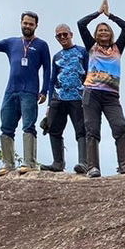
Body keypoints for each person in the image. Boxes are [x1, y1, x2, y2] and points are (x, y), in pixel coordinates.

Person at [0, 11, 51, 175]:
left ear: (36, 25)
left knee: (28, 125)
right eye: (25, 23)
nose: (27, 26)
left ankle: (29, 162)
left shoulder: (41, 45)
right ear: (21, 23)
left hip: (30, 91)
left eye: (31, 24)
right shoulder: (11, 42)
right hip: (11, 90)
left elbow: (48, 69)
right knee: (6, 126)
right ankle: (8, 164)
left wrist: (44, 90)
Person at [79, 0, 125, 177]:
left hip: (111, 95)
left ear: (111, 33)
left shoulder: (117, 48)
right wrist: (98, 13)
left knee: (119, 126)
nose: (103, 32)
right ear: (96, 35)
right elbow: (81, 24)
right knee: (92, 130)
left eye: (106, 30)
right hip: (92, 93)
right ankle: (92, 167)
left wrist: (110, 15)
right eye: (100, 30)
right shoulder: (92, 47)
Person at [41, 23, 87, 173]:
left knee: (81, 130)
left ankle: (84, 162)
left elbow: (89, 73)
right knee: (53, 129)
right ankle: (58, 163)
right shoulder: (57, 56)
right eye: (58, 35)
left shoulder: (82, 52)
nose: (62, 37)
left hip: (78, 97)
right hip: (58, 97)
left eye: (65, 34)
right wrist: (49, 104)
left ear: (71, 35)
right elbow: (52, 79)